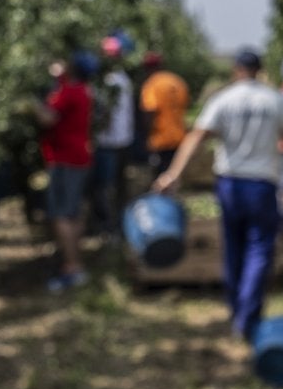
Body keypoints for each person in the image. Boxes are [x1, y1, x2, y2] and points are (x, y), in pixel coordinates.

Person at [153, 49, 283, 341]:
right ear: (260, 70)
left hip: (230, 183)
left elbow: (197, 135)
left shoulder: (223, 99)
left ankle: (237, 309)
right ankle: (248, 315)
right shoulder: (274, 100)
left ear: (235, 70)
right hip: (262, 183)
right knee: (259, 249)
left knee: (233, 247)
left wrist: (173, 173)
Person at [32, 51, 96, 292]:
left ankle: (73, 267)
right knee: (74, 213)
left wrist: (31, 103)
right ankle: (75, 262)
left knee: (60, 214)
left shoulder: (70, 93)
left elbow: (48, 118)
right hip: (79, 157)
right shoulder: (84, 91)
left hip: (65, 159)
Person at [89, 36, 135, 235]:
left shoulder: (108, 81)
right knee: (117, 186)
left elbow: (105, 113)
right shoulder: (122, 78)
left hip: (108, 142)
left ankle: (108, 226)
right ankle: (117, 224)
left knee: (104, 187)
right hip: (122, 140)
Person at [139, 51, 190, 177]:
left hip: (160, 139)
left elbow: (150, 111)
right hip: (179, 137)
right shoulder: (177, 81)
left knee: (160, 177)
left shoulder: (152, 84)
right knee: (173, 176)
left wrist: (146, 135)